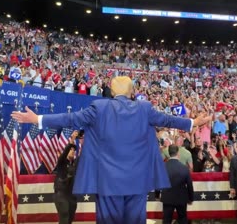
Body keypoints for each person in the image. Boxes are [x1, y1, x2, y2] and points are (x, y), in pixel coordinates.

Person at [11, 76, 210, 224]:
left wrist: (38, 119)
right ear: (133, 93)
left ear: (112, 93)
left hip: (107, 182)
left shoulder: (99, 107)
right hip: (137, 181)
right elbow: (168, 119)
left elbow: (71, 119)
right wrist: (191, 122)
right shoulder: (145, 108)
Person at [158, 145, 194, 224]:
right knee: (183, 219)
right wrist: (191, 198)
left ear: (169, 153)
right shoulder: (184, 168)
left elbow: (158, 181)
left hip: (167, 198)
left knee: (166, 220)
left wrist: (157, 195)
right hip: (181, 198)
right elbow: (189, 184)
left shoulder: (163, 167)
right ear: (178, 153)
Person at [53, 130, 80, 224]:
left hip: (72, 196)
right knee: (64, 216)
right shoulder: (61, 163)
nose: (72, 152)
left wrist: (83, 140)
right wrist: (72, 140)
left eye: (73, 150)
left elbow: (83, 156)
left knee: (70, 219)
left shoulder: (75, 164)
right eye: (70, 150)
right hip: (61, 195)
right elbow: (64, 154)